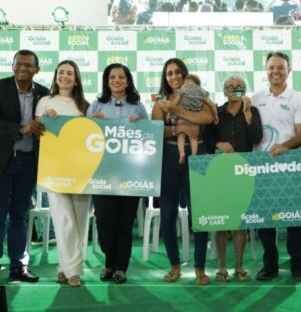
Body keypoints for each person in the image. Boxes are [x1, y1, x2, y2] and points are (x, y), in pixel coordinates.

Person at [0, 50, 49, 290]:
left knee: (20, 216)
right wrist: (22, 129)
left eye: (28, 65)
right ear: (13, 66)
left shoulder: (45, 94)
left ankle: (19, 266)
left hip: (27, 162)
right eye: (18, 64)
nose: (23, 68)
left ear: (37, 69)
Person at [152, 58, 214, 284]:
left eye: (178, 72)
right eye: (169, 73)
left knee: (199, 215)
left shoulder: (196, 95)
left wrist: (178, 113)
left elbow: (207, 118)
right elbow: (157, 131)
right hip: (169, 159)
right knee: (167, 215)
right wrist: (181, 126)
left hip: (197, 157)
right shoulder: (160, 102)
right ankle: (174, 265)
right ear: (165, 77)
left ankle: (200, 268)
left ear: (184, 74)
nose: (174, 76)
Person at [252, 52, 301, 282]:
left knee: (295, 218)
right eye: (271, 68)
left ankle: (298, 264)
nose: (275, 72)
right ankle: (270, 264)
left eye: (280, 68)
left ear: (289, 70)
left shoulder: (299, 99)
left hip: (291, 165)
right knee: (266, 219)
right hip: (261, 167)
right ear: (266, 70)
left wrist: (284, 147)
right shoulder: (255, 98)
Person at [87, 63, 148, 284]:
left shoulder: (138, 107)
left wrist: (140, 124)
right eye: (112, 77)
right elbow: (86, 136)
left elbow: (147, 138)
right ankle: (108, 261)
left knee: (124, 222)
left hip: (130, 176)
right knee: (105, 220)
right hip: (102, 174)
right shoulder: (96, 104)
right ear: (106, 81)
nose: (116, 81)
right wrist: (95, 123)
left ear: (128, 80)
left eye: (121, 77)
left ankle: (120, 267)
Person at [35, 60, 91, 287]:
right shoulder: (45, 101)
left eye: (69, 73)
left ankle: (64, 266)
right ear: (55, 76)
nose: (64, 76)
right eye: (61, 72)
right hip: (55, 170)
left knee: (79, 221)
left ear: (76, 78)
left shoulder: (86, 106)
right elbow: (38, 129)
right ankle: (74, 271)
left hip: (82, 169)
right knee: (64, 219)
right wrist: (46, 118)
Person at [203, 76, 262, 282]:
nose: (236, 90)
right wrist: (218, 143)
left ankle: (239, 266)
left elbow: (256, 138)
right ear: (225, 91)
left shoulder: (252, 111)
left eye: (240, 87)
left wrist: (247, 114)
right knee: (221, 221)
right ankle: (221, 266)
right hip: (220, 171)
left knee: (239, 223)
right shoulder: (216, 112)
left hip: (243, 171)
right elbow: (207, 140)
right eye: (231, 87)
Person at [171, 74, 217, 164]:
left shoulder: (183, 90)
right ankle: (194, 155)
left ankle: (182, 153)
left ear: (186, 83)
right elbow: (211, 104)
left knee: (181, 136)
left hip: (182, 118)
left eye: (185, 82)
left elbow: (174, 104)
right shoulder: (201, 91)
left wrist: (169, 112)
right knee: (193, 137)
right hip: (194, 119)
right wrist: (216, 116)